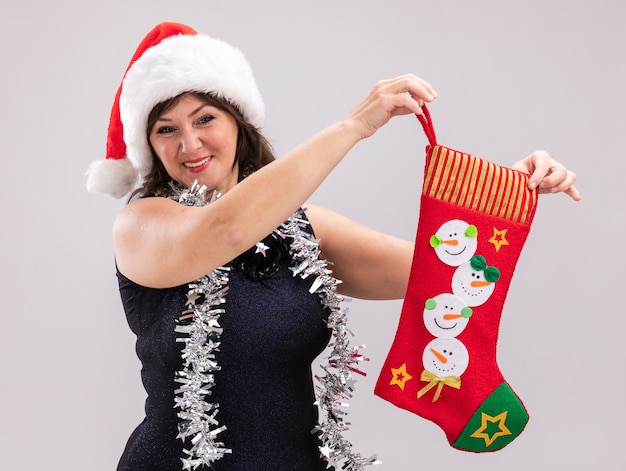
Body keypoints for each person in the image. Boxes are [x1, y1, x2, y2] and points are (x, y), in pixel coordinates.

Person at [86, 22, 579, 471]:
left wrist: (506, 193)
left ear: (238, 121)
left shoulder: (302, 232)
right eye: (165, 129)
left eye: (205, 118)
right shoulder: (140, 224)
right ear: (150, 147)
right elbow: (225, 232)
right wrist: (353, 126)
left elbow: (440, 274)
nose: (189, 143)